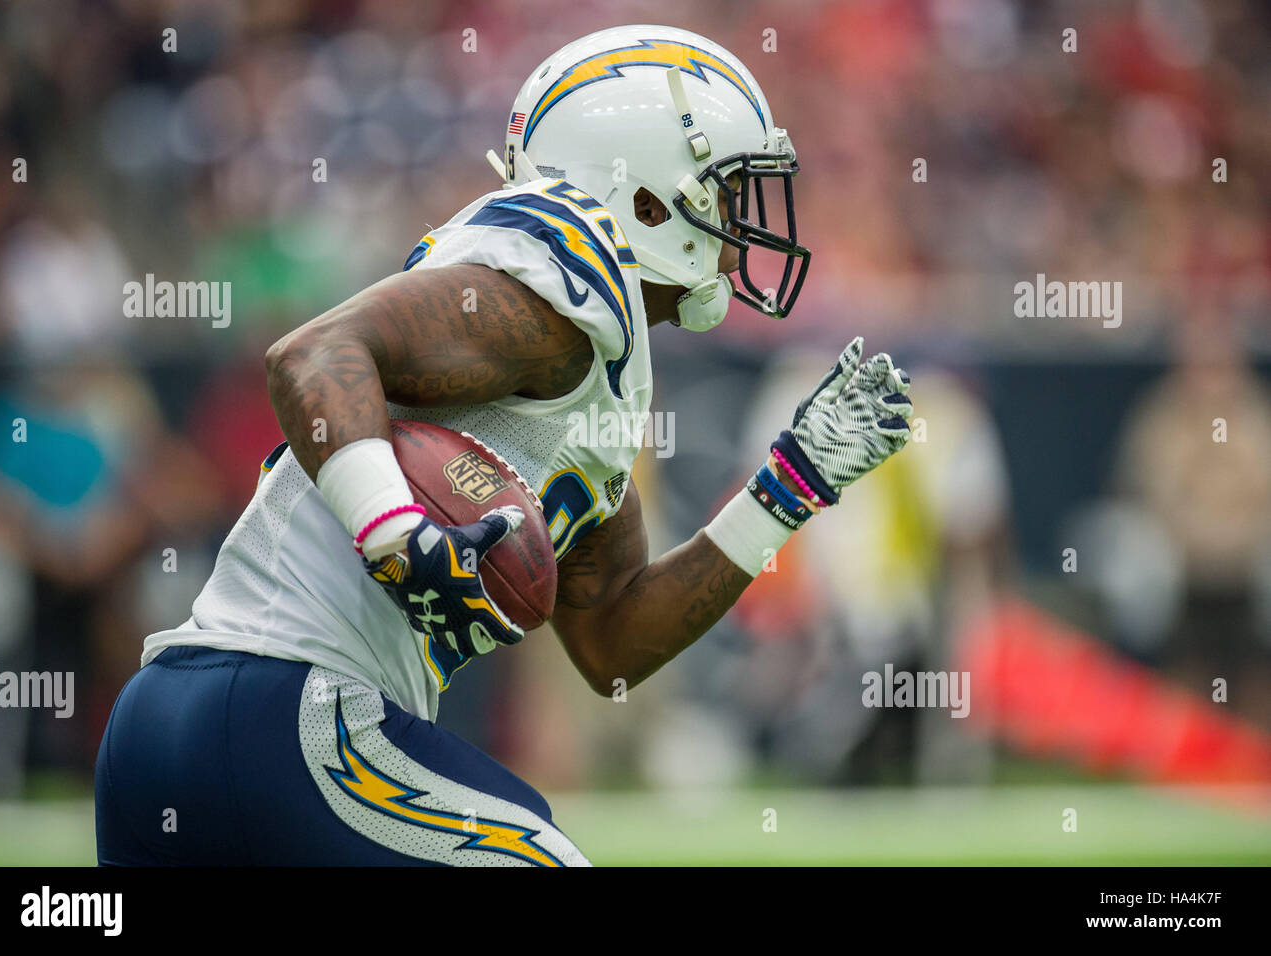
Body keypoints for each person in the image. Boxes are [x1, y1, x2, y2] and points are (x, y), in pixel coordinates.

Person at [95, 24, 912, 866]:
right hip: (280, 707)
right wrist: (396, 536)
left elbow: (612, 644)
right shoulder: (558, 289)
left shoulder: (599, 362)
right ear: (645, 195)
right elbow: (314, 355)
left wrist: (786, 489)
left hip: (193, 720)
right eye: (728, 188)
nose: (745, 221)